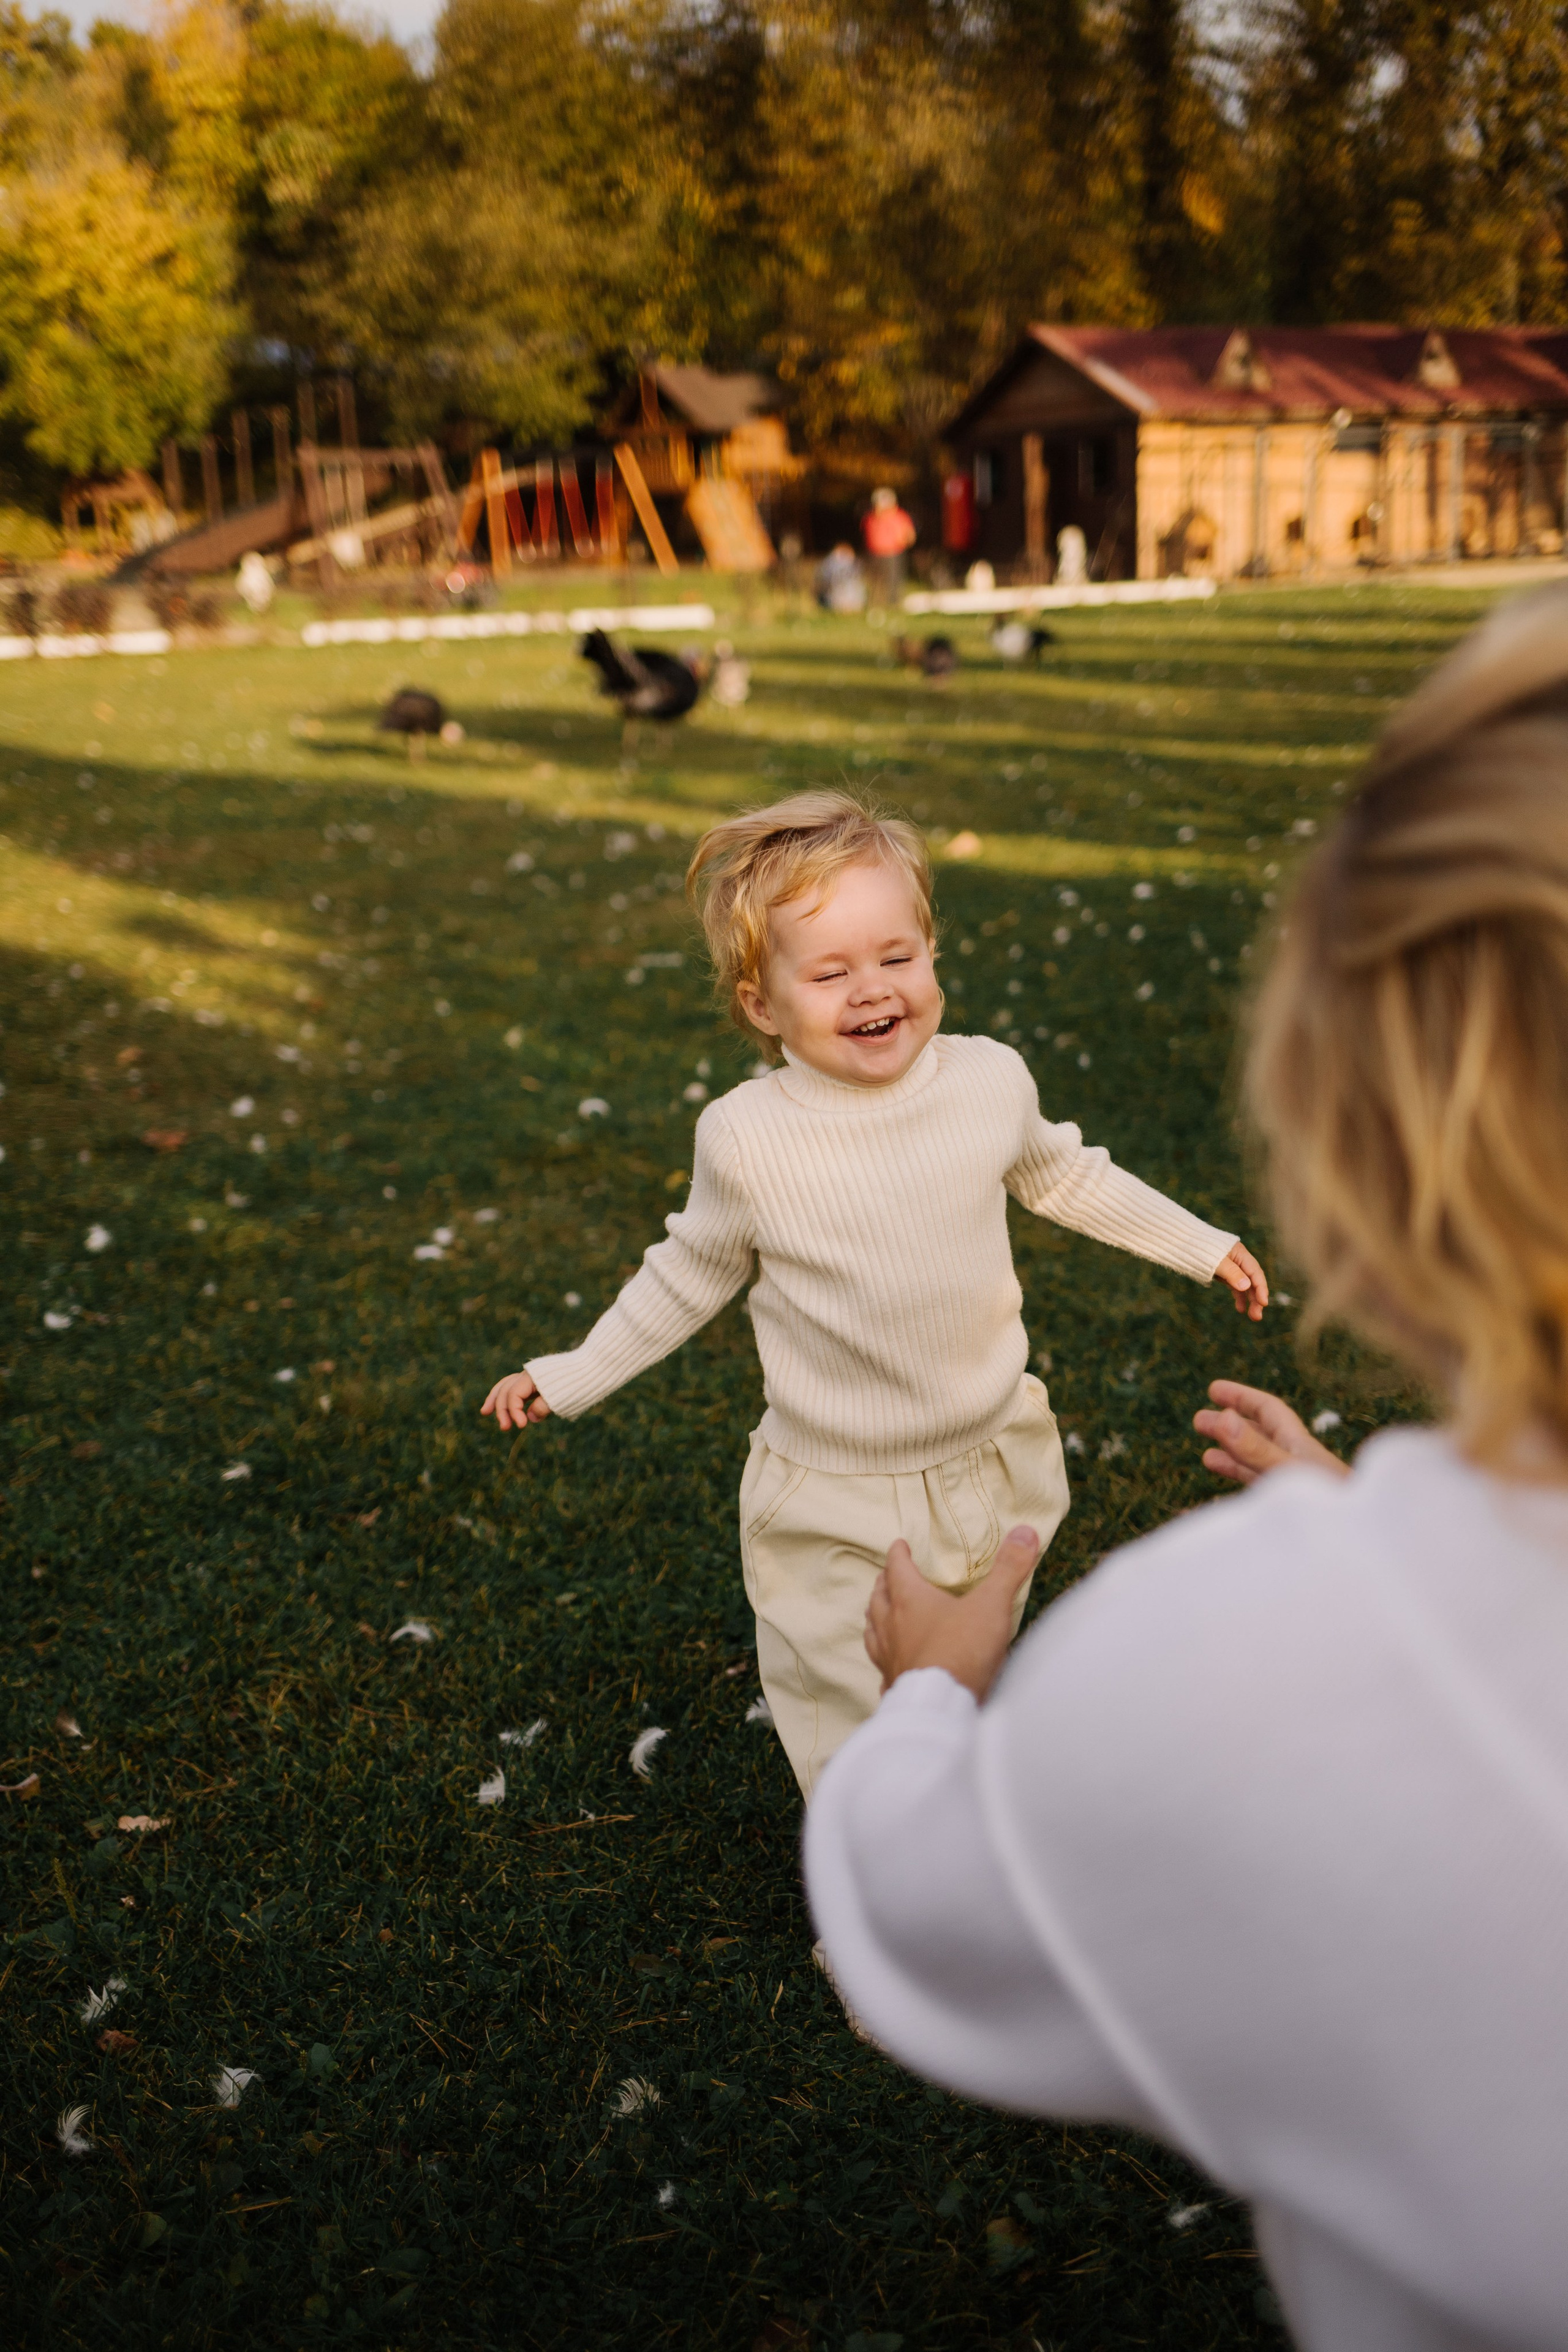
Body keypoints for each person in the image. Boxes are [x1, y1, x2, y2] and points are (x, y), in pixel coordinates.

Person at [804, 585, 1568, 2351]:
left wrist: (934, 1697)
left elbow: (923, 1913)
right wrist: (1375, 1527)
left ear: (1375, 1151)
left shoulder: (1222, 1668)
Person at [483, 793, 1266, 1797]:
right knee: (849, 1712)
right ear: (762, 1007)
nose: (872, 991)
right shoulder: (748, 1138)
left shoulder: (988, 1083)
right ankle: (878, 1896)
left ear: (933, 954)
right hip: (837, 1494)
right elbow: (691, 1271)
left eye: (898, 958)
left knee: (963, 1680)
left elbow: (1066, 1174)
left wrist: (1199, 1244)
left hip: (991, 1458)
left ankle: (959, 1817)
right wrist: (575, 1373)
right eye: (830, 972)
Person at [862, 488, 916, 603]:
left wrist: (901, 543)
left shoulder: (900, 516)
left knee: (893, 582)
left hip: (893, 554)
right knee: (875, 582)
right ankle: (875, 603)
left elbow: (910, 535)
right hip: (874, 554)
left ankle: (893, 604)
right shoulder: (871, 517)